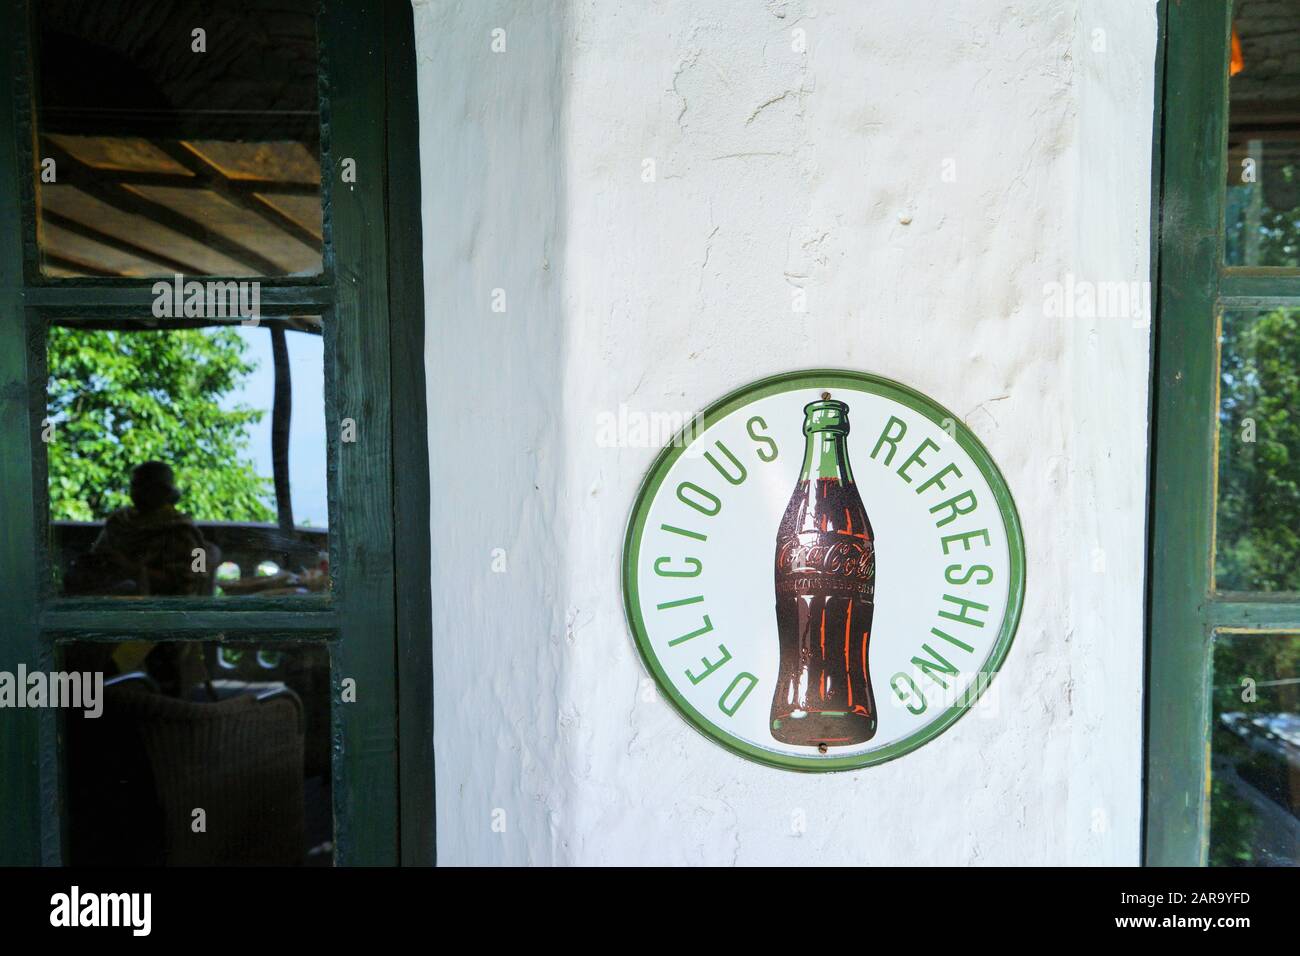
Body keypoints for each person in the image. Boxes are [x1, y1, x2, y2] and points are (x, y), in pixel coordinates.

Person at [66, 461, 217, 596]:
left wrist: (131, 569)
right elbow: (99, 555)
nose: (135, 492)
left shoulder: (180, 529)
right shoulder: (120, 520)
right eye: (134, 485)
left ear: (163, 491)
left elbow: (190, 581)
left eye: (143, 486)